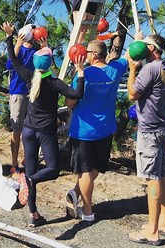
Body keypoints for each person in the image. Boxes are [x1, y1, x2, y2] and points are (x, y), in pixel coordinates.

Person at [1, 21, 85, 227]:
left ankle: (34, 215)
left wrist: (9, 37)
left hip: (29, 131)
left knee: (30, 172)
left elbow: (13, 59)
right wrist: (81, 72)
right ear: (50, 64)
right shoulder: (54, 83)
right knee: (53, 169)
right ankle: (29, 182)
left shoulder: (30, 78)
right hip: (46, 132)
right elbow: (76, 94)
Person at [127, 34, 165, 246]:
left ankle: (152, 230)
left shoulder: (150, 68)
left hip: (149, 132)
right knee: (163, 175)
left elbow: (132, 94)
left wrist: (132, 69)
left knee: (152, 179)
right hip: (161, 128)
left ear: (150, 48)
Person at [65, 39, 128, 222]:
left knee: (85, 171)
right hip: (105, 128)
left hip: (83, 130)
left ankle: (87, 211)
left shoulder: (83, 74)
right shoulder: (115, 69)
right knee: (96, 168)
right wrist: (139, 38)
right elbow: (130, 54)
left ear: (92, 55)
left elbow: (70, 102)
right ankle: (76, 193)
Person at [6, 24, 37, 174]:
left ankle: (27, 159)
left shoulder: (37, 52)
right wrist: (16, 44)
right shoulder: (20, 50)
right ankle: (14, 163)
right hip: (18, 92)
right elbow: (9, 65)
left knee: (31, 129)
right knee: (17, 129)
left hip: (33, 93)